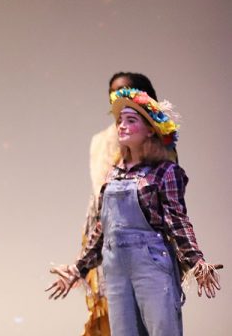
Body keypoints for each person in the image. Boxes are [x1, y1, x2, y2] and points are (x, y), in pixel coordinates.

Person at [47, 88, 222, 335]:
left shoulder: (164, 172)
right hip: (116, 269)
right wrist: (79, 268)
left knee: (163, 330)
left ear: (151, 129)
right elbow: (103, 228)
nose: (122, 126)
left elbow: (177, 221)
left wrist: (196, 261)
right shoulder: (113, 173)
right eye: (120, 121)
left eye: (131, 120)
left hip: (151, 265)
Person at [80, 72, 160, 336]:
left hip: (145, 237)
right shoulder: (99, 140)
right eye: (113, 93)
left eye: (125, 92)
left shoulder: (155, 139)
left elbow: (164, 200)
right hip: (105, 232)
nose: (117, 98)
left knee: (150, 316)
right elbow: (99, 196)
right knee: (111, 314)